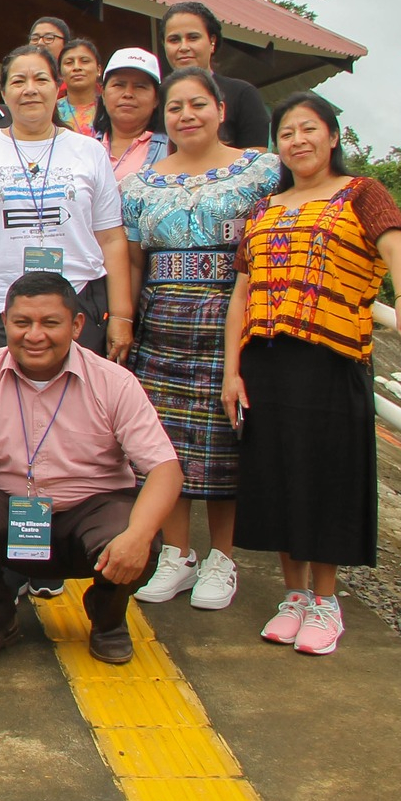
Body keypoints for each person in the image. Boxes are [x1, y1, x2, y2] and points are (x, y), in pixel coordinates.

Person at [223, 93, 401, 656]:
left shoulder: (362, 193)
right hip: (266, 363)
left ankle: (326, 600)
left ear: (333, 136)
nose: (297, 141)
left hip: (331, 360)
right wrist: (232, 371)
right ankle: (292, 595)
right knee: (276, 476)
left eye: (308, 129)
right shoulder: (266, 207)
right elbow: (242, 295)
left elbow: (396, 249)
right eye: (286, 133)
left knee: (327, 478)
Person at [0, 272, 184, 669]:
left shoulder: (114, 382)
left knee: (137, 529)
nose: (34, 335)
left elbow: (165, 469)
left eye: (50, 323)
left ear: (77, 325)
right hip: (11, 517)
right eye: (22, 322)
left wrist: (139, 534)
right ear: (4, 321)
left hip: (90, 516)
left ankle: (107, 616)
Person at [122, 68, 281, 613]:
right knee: (162, 441)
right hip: (161, 318)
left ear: (220, 109)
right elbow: (134, 258)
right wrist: (128, 321)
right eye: (175, 107)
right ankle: (177, 554)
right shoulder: (140, 183)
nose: (186, 115)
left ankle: (223, 558)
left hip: (229, 319)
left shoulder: (260, 171)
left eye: (197, 104)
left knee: (223, 440)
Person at [0, 44, 134, 363]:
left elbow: (110, 238)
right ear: (3, 90)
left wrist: (122, 317)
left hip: (77, 303)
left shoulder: (89, 152)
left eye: (40, 79)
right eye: (18, 81)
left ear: (57, 86)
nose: (30, 90)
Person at [163, 1, 270, 150]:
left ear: (212, 41)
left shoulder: (242, 94)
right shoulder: (156, 99)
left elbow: (254, 164)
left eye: (193, 37)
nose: (183, 47)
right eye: (174, 40)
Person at [95, 47, 169, 182]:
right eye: (119, 85)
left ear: (156, 99)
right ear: (103, 94)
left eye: (140, 86)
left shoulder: (171, 148)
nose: (128, 94)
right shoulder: (85, 148)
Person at [54, 37, 104, 137]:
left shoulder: (109, 108)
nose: (77, 67)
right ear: (59, 73)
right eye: (69, 63)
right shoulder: (51, 111)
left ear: (99, 69)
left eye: (84, 61)